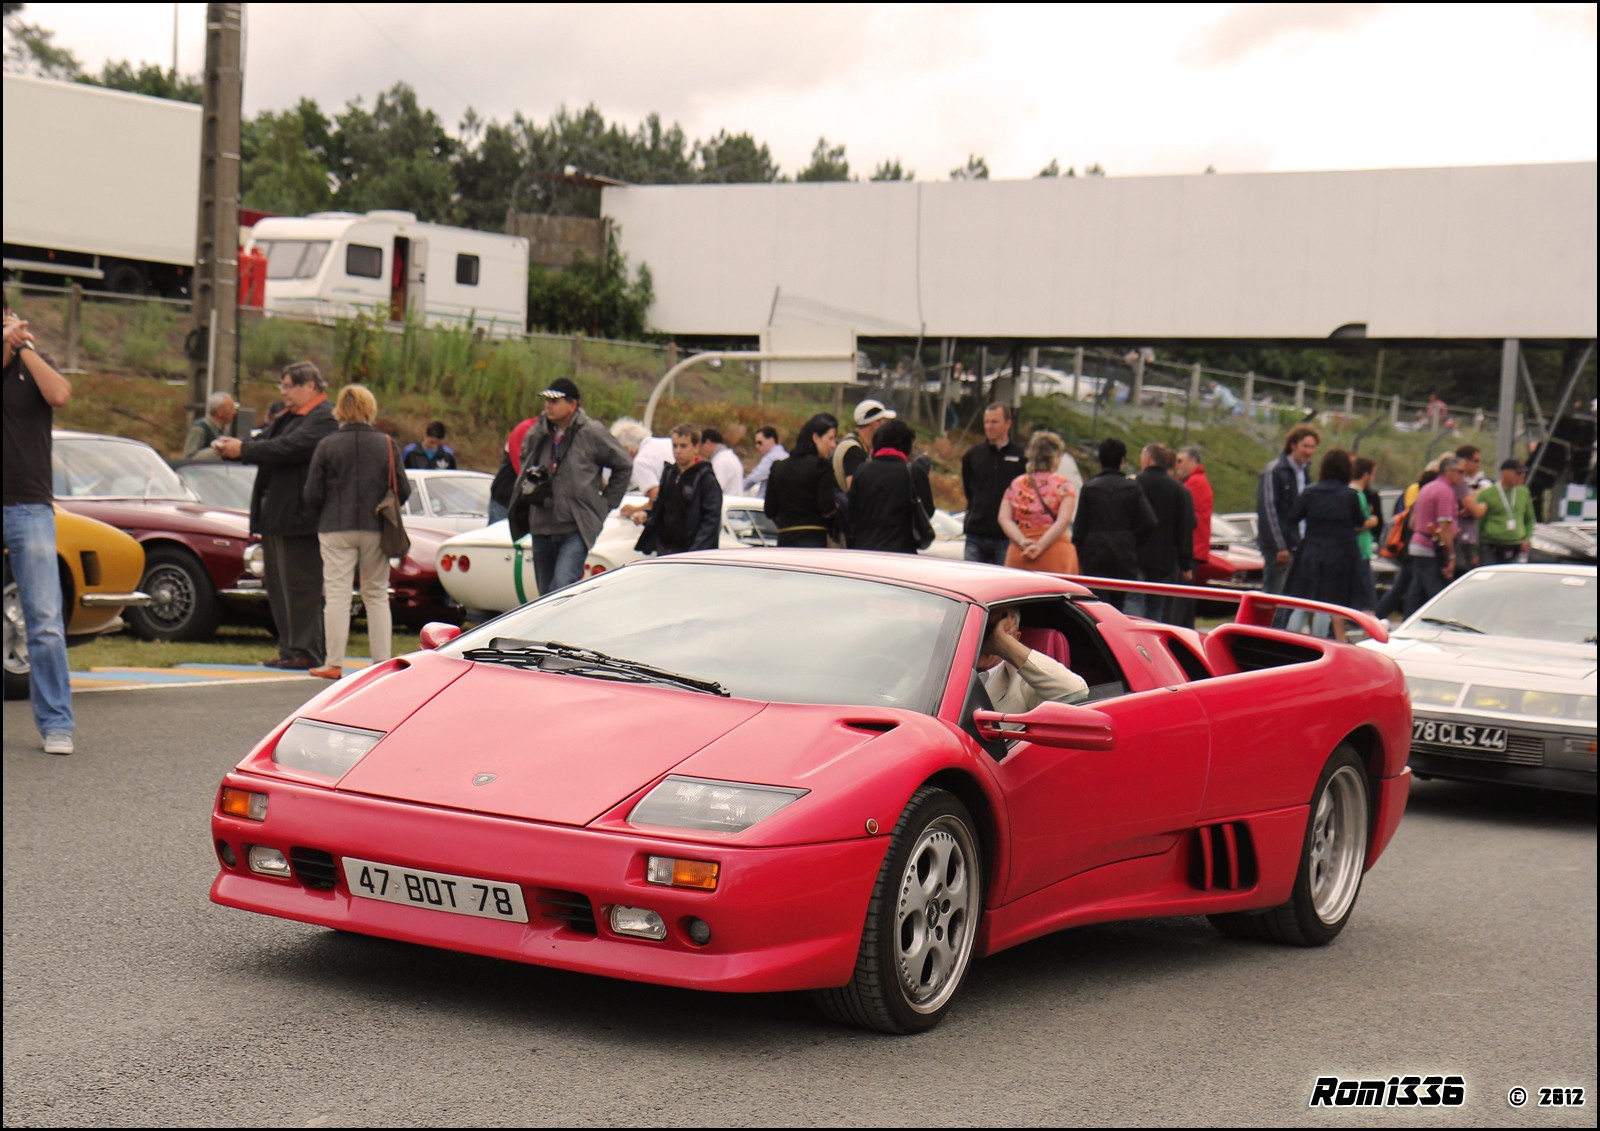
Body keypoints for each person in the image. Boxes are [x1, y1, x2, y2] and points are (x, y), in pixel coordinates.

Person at [214, 360, 338, 670]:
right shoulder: (289, 416)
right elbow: (266, 441)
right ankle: (289, 649)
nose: (283, 393)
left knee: (302, 586)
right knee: (279, 586)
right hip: (277, 514)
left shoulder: (324, 419)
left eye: (288, 386)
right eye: (281, 386)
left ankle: (307, 651)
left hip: (302, 517)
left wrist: (243, 450)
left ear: (310, 386)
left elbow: (289, 448)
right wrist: (238, 446)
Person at [3, 306, 75, 754]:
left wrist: (24, 346)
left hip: (29, 506)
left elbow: (61, 394)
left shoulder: (33, 359)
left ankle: (56, 725)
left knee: (45, 621)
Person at [302, 384, 409, 680]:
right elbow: (404, 488)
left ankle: (333, 662)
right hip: (376, 526)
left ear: (341, 409)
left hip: (335, 527)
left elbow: (312, 493)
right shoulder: (386, 443)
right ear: (369, 408)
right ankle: (381, 663)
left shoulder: (328, 445)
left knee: (336, 593)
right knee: (375, 594)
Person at [510, 377, 634, 594]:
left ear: (572, 404)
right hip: (541, 523)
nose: (548, 406)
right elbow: (524, 457)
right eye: (546, 400)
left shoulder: (591, 432)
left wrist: (606, 503)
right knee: (545, 597)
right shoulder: (539, 431)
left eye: (555, 401)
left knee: (562, 589)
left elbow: (623, 465)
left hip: (575, 526)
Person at [1283, 449, 1367, 643]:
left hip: (1311, 550)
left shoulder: (1311, 492)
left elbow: (1292, 518)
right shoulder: (1350, 496)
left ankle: (1288, 641)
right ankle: (1320, 644)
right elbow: (1359, 522)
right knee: (1326, 604)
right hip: (1338, 554)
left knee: (1302, 602)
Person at [1071, 438, 1156, 609]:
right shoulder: (1132, 488)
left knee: (1096, 605)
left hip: (1094, 551)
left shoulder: (1089, 488)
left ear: (1100, 460)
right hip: (1123, 552)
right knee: (1119, 603)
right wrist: (1132, 538)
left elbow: (1079, 528)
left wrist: (1081, 550)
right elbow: (1150, 521)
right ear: (1122, 461)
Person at [632, 424, 722, 556]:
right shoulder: (670, 474)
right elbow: (662, 508)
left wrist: (695, 553)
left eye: (683, 446)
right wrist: (647, 515)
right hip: (666, 550)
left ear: (696, 447)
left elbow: (711, 521)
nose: (678, 451)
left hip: (690, 552)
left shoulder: (705, 479)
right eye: (675, 446)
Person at [978, 608, 1089, 714]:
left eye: (989, 630)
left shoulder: (1020, 681)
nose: (982, 638)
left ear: (1014, 638)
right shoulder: (961, 669)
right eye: (979, 628)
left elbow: (1075, 691)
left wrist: (999, 640)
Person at [1129, 443, 1195, 622]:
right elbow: (1184, 528)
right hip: (1164, 558)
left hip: (1135, 554)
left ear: (1148, 459)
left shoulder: (1134, 484)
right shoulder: (1179, 490)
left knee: (1134, 599)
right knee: (1155, 606)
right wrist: (1185, 562)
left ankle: (1132, 641)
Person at [847, 417, 933, 554]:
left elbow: (852, 513)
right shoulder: (913, 472)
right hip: (902, 551)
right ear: (906, 445)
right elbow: (928, 510)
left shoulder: (862, 471)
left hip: (865, 549)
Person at [997, 430, 1077, 573]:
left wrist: (1022, 541)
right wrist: (1040, 546)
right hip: (1055, 553)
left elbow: (1004, 518)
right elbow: (1063, 520)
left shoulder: (1016, 484)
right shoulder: (1064, 486)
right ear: (1056, 457)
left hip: (1020, 553)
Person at [1257, 424, 1320, 601]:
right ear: (1293, 445)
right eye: (1305, 446)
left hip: (1299, 543)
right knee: (1274, 595)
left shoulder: (1304, 472)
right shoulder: (1275, 471)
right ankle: (1264, 629)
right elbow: (1268, 510)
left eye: (1312, 447)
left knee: (1291, 597)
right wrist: (1280, 546)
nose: (1309, 451)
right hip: (1279, 546)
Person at [961, 403, 1026, 565]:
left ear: (1008, 424)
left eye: (995, 422)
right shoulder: (973, 455)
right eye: (986, 422)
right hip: (976, 535)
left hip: (1006, 537)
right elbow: (969, 489)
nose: (989, 426)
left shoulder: (1021, 457)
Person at [1403, 454, 1466, 614]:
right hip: (1431, 545)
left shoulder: (1427, 487)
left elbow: (1413, 522)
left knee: (1416, 590)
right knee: (1436, 592)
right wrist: (1451, 556)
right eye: (1459, 471)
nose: (1462, 476)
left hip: (1417, 542)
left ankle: (1407, 621)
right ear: (1447, 471)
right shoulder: (1445, 492)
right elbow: (1444, 526)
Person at [763, 414, 838, 548]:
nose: (833, 445)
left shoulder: (778, 467)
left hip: (785, 540)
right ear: (815, 438)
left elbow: (770, 510)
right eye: (831, 438)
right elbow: (826, 508)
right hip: (814, 541)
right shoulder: (822, 467)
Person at [1170, 446, 1213, 630]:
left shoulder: (1193, 484)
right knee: (1186, 600)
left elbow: (1182, 515)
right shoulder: (1196, 481)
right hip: (1196, 547)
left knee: (1180, 602)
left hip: (1191, 547)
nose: (1177, 465)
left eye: (1180, 461)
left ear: (1193, 462)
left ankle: (1180, 634)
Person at [1477, 458, 1536, 564]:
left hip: (1515, 545)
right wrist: (1475, 552)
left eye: (1524, 473)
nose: (1522, 476)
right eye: (1518, 473)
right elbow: (1478, 523)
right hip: (1490, 546)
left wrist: (1527, 537)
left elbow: (1530, 518)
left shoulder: (1524, 492)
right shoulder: (1487, 494)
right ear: (1505, 473)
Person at [610, 417, 674, 495]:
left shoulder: (640, 462)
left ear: (627, 448)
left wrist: (633, 507)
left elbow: (655, 498)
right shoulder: (667, 442)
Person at [1351, 456, 1382, 613]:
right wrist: (1373, 520)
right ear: (1366, 474)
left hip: (1358, 549)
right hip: (1360, 550)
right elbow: (1358, 523)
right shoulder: (1357, 494)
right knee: (1368, 598)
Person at [1451, 444, 1488, 573]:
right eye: (1475, 461)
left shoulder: (1484, 482)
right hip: (1459, 536)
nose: (1478, 465)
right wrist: (1479, 495)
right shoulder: (1457, 484)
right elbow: (1478, 511)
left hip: (1474, 535)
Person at [182, 391, 237, 459]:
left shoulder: (222, 430)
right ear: (219, 412)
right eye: (231, 408)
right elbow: (189, 458)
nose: (234, 412)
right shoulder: (199, 429)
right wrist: (219, 451)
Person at [699, 427, 744, 498]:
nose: (700, 451)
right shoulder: (731, 456)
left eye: (701, 446)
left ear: (708, 443)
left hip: (726, 504)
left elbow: (714, 490)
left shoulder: (720, 462)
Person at [743, 426, 788, 498]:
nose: (756, 446)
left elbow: (753, 478)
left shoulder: (772, 458)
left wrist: (738, 488)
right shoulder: (786, 456)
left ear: (771, 440)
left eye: (760, 443)